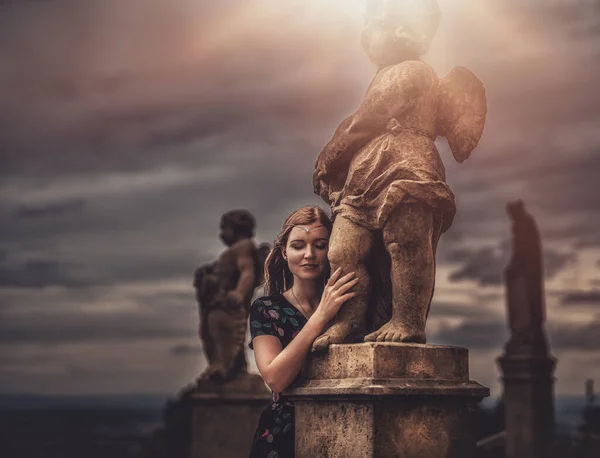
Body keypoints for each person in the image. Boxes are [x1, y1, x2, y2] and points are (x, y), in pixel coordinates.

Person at [248, 206, 359, 458]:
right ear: (284, 253)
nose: (310, 254)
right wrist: (321, 316)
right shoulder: (267, 309)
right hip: (285, 436)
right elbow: (275, 379)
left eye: (320, 245)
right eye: (298, 245)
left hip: (347, 429)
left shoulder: (351, 309)